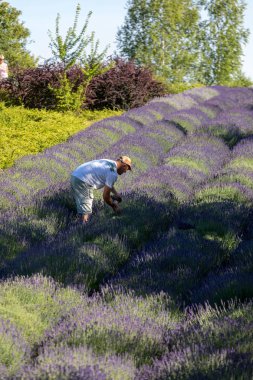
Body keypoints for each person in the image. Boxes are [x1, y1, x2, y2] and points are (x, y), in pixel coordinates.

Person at [71, 156, 132, 224]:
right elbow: (105, 196)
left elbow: (108, 183)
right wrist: (114, 206)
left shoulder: (109, 162)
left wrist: (116, 194)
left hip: (75, 176)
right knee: (86, 209)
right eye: (127, 169)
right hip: (83, 181)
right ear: (124, 165)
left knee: (82, 205)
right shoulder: (113, 173)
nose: (125, 171)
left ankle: (77, 225)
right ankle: (83, 228)